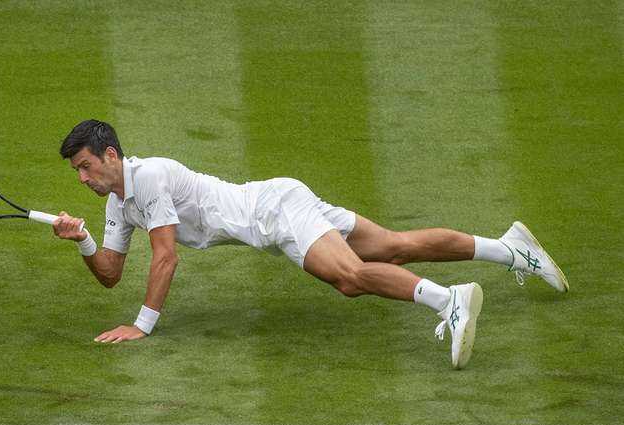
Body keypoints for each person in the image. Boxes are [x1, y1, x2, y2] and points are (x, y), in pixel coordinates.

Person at [52, 120, 569, 369]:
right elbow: (111, 272)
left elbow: (166, 256)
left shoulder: (153, 177)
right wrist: (84, 241)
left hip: (278, 213)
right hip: (280, 201)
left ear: (112, 155)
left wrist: (142, 326)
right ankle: (513, 249)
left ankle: (449, 300)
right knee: (393, 246)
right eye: (78, 171)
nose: (83, 178)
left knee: (349, 278)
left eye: (86, 166)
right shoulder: (118, 204)